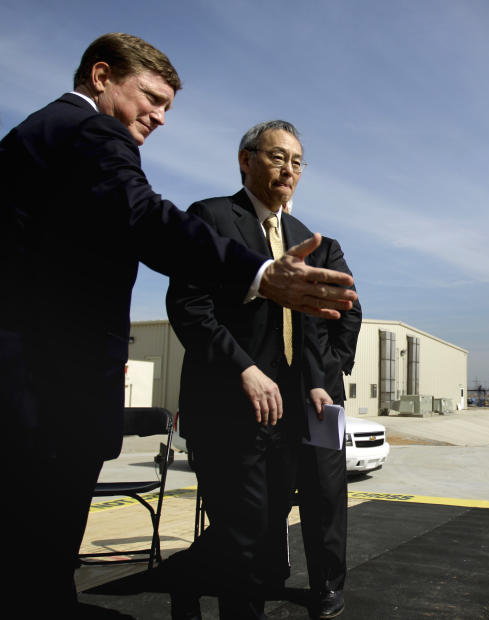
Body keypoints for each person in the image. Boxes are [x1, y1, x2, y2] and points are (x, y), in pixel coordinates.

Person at [0, 33, 356, 616]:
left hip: (47, 379)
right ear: (100, 75)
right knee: (42, 556)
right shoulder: (91, 132)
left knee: (32, 562)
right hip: (48, 388)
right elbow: (147, 221)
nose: (160, 117)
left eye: (167, 106)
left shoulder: (36, 136)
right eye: (151, 98)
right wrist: (261, 273)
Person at [165, 120, 352, 619]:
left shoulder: (301, 237)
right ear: (246, 160)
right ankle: (196, 584)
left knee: (263, 536)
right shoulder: (211, 217)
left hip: (288, 412)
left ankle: (185, 577)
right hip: (230, 404)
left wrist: (319, 381)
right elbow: (189, 306)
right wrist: (244, 368)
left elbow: (320, 322)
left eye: (296, 162)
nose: (288, 170)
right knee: (245, 537)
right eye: (277, 157)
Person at [286, 202, 362, 619]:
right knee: (263, 494)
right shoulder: (245, 250)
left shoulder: (324, 249)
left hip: (319, 399)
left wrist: (326, 373)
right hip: (261, 392)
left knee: (324, 497)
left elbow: (350, 313)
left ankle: (328, 586)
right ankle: (259, 570)